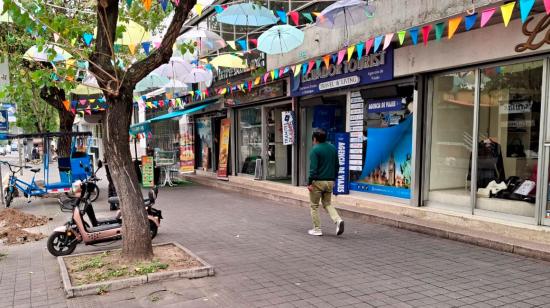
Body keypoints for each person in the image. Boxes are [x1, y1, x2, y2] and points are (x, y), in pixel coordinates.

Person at [307, 128, 344, 236]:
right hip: (330, 181)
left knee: (314, 206)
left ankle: (317, 229)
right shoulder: (333, 148)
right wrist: (335, 179)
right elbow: (337, 166)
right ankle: (338, 220)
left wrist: (309, 183)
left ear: (314, 139)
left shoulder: (315, 150)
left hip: (318, 182)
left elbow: (313, 169)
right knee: (327, 204)